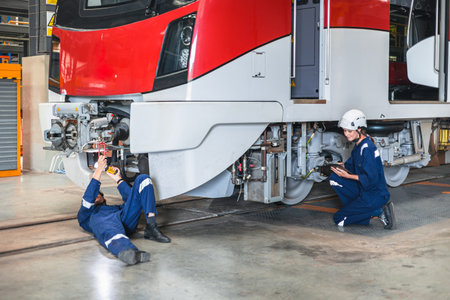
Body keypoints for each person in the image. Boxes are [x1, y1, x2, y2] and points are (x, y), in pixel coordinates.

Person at [77, 155, 171, 265]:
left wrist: (118, 178)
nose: (96, 195)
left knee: (143, 179)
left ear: (104, 199)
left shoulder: (114, 208)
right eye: (95, 195)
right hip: (107, 223)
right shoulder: (86, 215)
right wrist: (99, 169)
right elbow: (89, 197)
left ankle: (151, 226)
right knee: (106, 226)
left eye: (99, 194)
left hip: (124, 219)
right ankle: (128, 252)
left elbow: (132, 199)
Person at [329, 109, 395, 229]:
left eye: (349, 131)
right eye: (344, 130)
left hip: (374, 195)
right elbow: (352, 164)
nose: (346, 134)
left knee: (339, 219)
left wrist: (347, 176)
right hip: (364, 189)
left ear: (359, 130)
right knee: (334, 178)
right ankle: (359, 208)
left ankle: (378, 212)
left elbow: (370, 179)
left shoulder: (368, 149)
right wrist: (343, 166)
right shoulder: (359, 145)